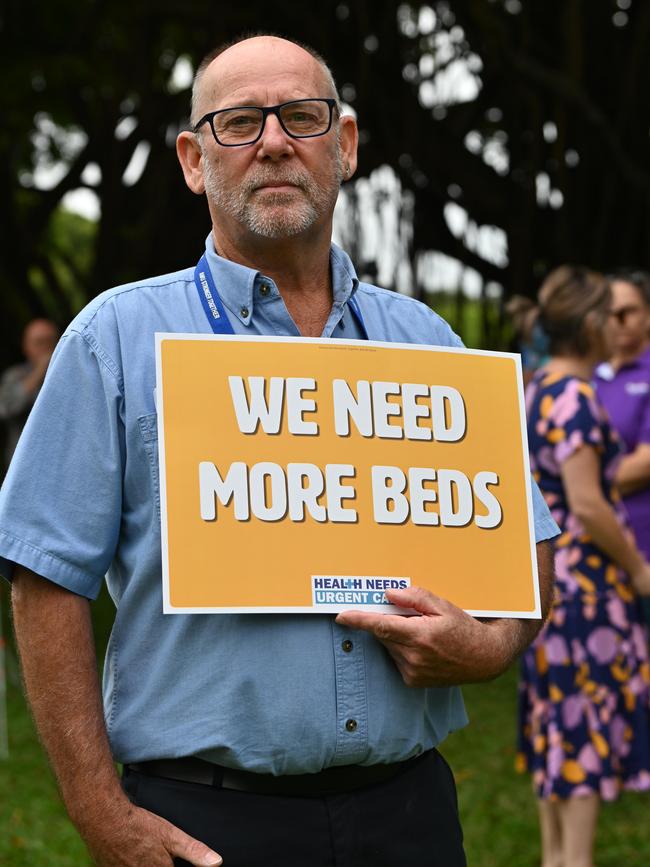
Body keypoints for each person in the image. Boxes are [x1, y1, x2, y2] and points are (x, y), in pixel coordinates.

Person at [1, 35, 558, 867]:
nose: (272, 141)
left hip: (409, 812)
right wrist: (97, 811)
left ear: (346, 145)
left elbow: (526, 552)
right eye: (238, 123)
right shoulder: (113, 340)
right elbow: (44, 576)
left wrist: (488, 646)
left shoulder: (429, 343)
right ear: (193, 160)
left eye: (302, 116)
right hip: (206, 822)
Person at [517, 266, 650, 867]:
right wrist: (638, 566)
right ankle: (576, 861)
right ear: (591, 323)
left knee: (558, 723)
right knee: (585, 724)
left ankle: (555, 858)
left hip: (543, 580)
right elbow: (590, 503)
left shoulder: (536, 387)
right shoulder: (575, 396)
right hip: (585, 590)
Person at [594, 270, 650, 623]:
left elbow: (645, 463)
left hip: (643, 549)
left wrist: (577, 488)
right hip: (592, 549)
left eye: (627, 311)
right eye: (609, 313)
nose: (618, 322)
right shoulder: (588, 374)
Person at [0, 317, 59, 471]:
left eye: (50, 342)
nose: (46, 348)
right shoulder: (14, 376)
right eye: (39, 343)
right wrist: (39, 372)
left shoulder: (66, 376)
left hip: (59, 463)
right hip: (22, 466)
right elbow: (6, 409)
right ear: (26, 347)